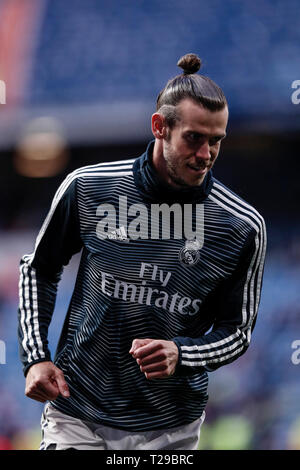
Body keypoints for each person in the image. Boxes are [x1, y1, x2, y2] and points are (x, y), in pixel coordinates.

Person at [18, 53, 267, 451]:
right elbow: (39, 269)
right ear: (159, 127)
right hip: (78, 412)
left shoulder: (241, 225)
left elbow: (237, 332)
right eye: (194, 138)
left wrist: (182, 352)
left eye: (216, 141)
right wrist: (35, 357)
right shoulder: (88, 187)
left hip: (171, 428)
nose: (205, 155)